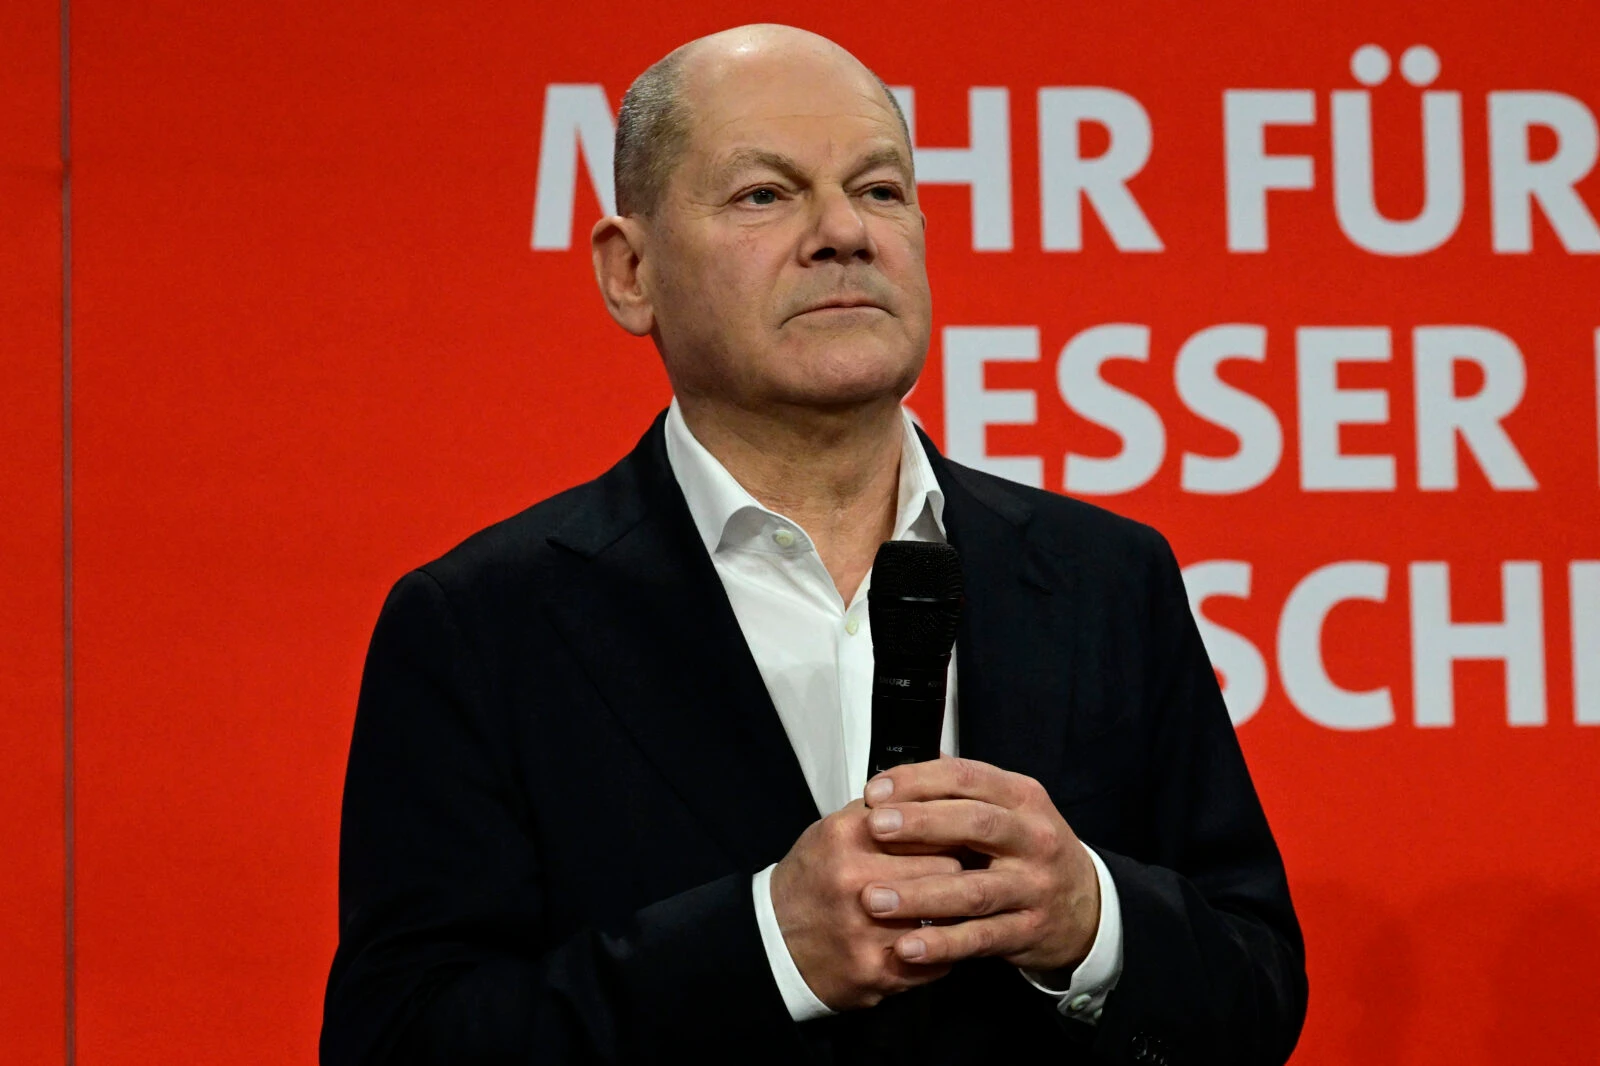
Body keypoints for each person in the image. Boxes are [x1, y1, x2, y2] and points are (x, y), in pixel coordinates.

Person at [320, 23, 1307, 1066]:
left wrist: (1090, 918)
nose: (842, 231)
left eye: (879, 190)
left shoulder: (1106, 577)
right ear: (631, 272)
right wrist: (762, 947)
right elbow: (403, 1040)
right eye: (765, 195)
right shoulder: (483, 623)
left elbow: (1255, 991)